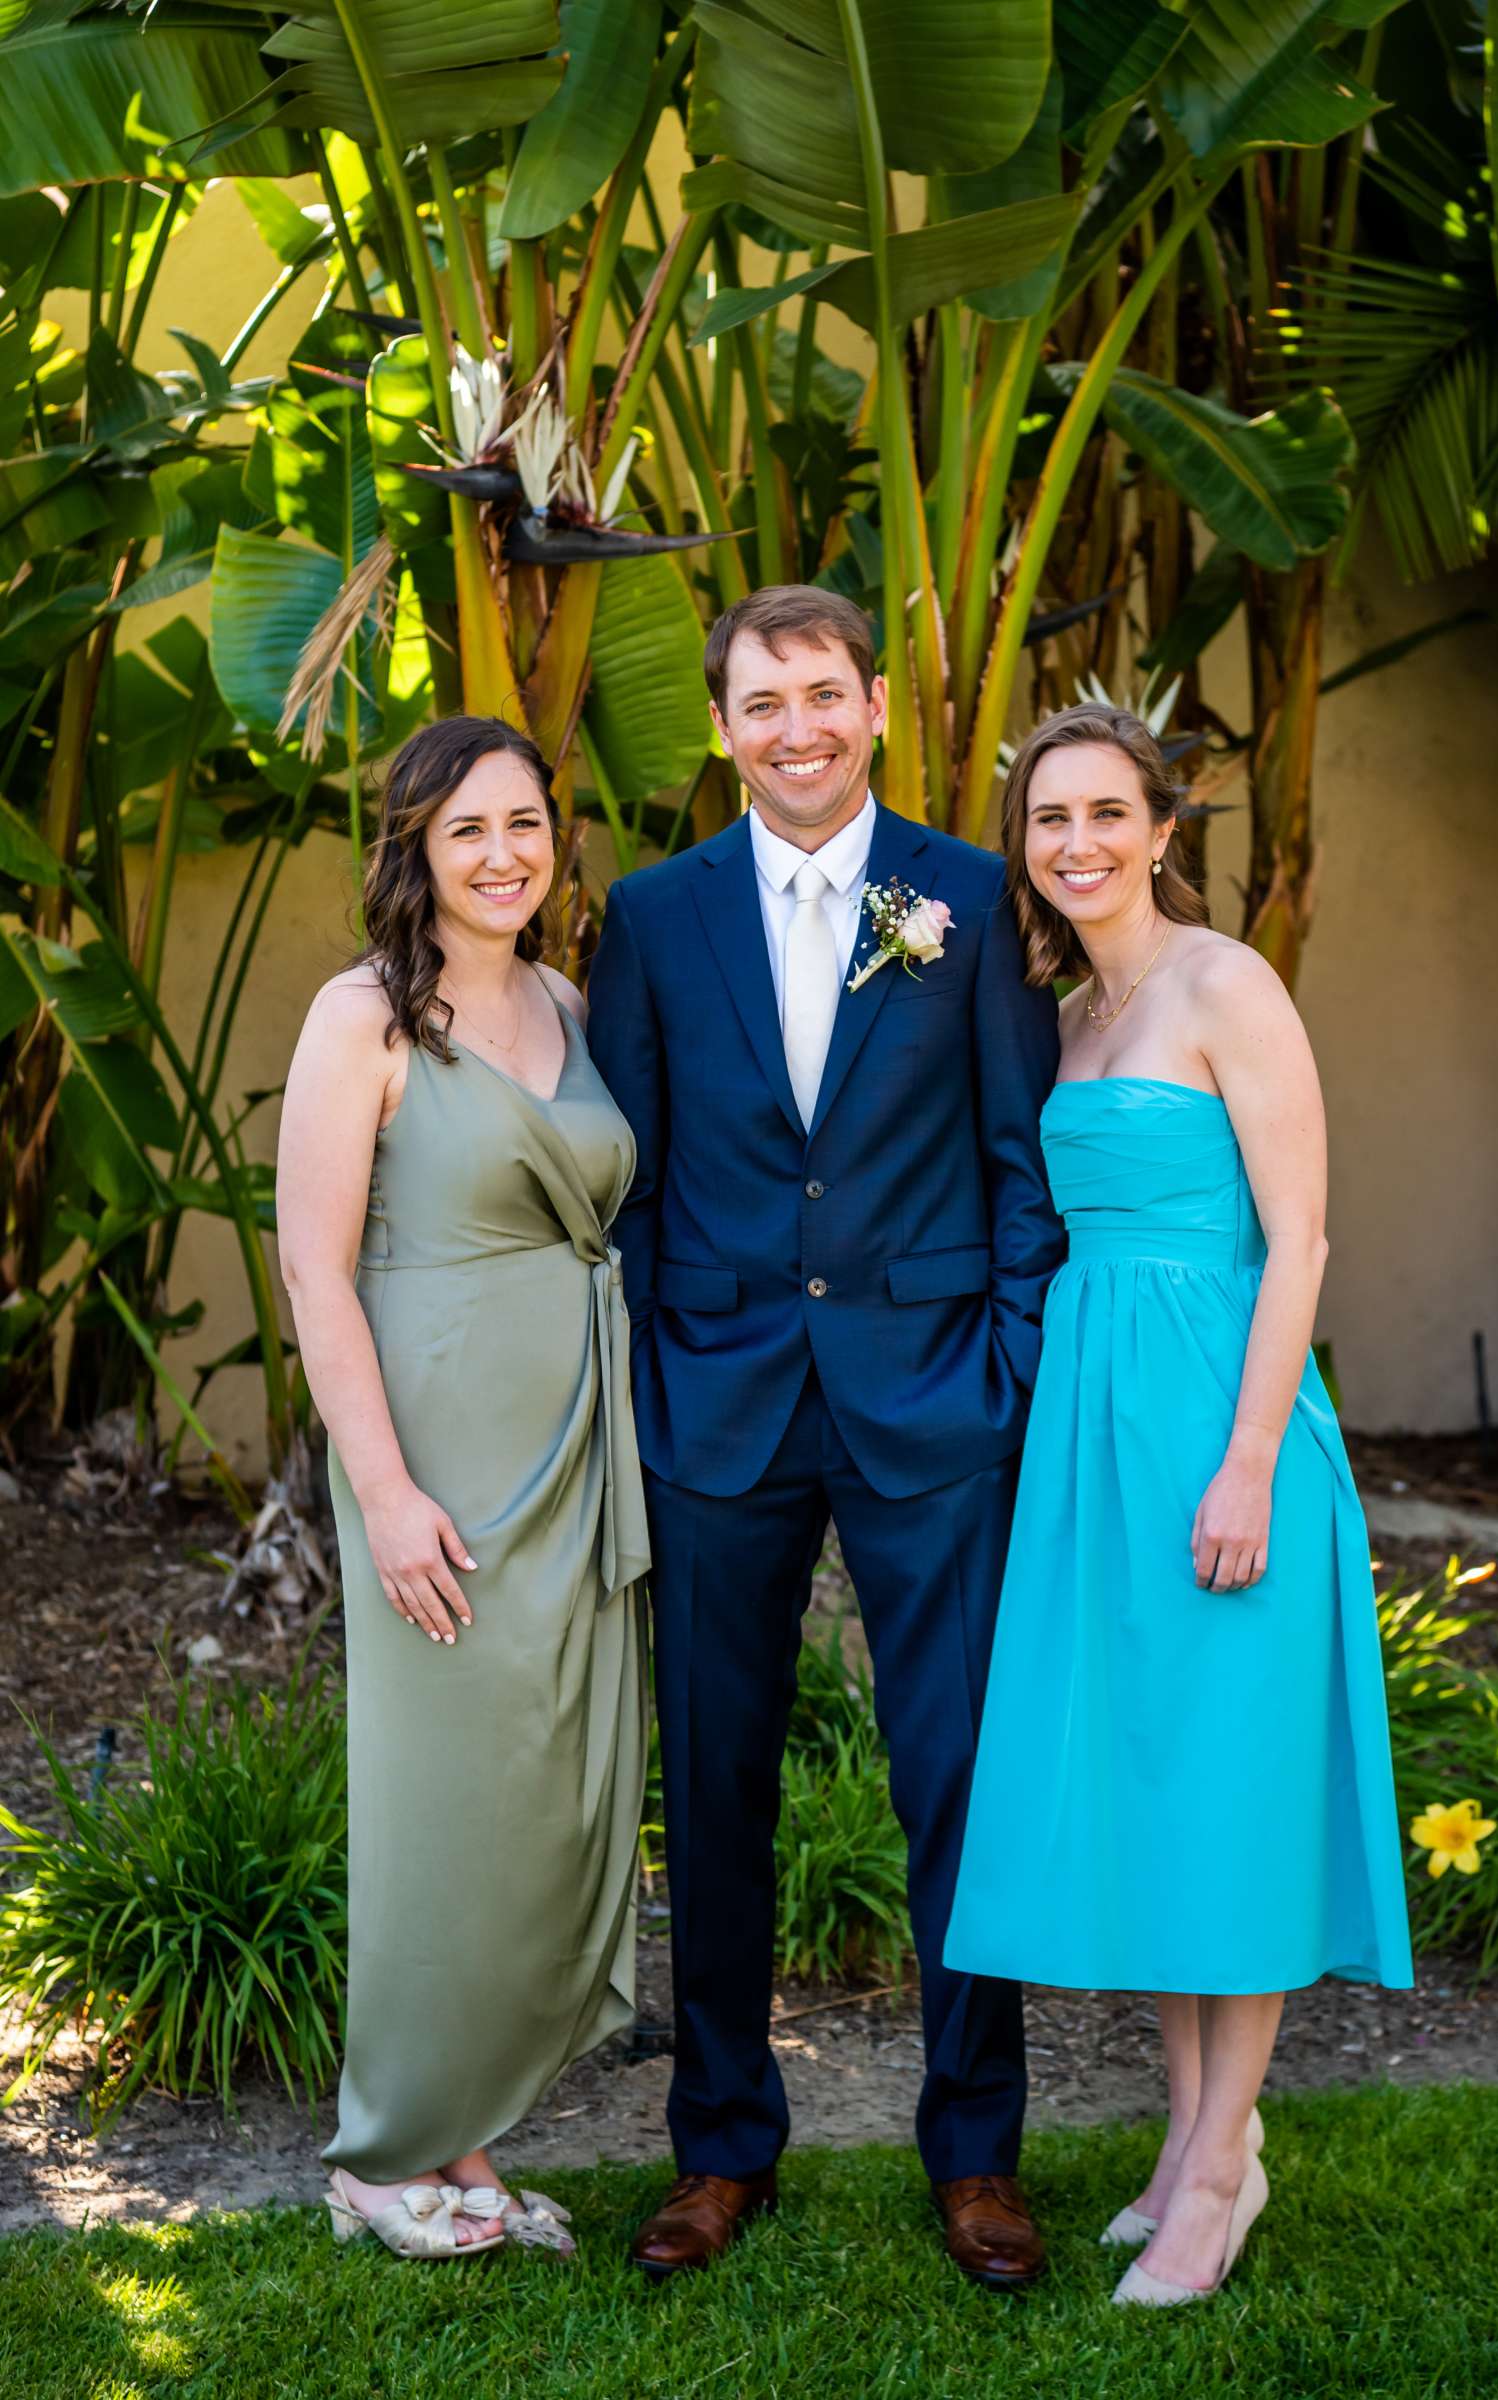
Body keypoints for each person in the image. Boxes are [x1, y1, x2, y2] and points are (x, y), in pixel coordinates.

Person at [587, 587, 1064, 2286]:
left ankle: (975, 2152)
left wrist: (1002, 1365)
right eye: (760, 704)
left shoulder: (969, 894)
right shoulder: (650, 917)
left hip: (935, 1393)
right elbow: (629, 1180)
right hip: (716, 1398)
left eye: (823, 696)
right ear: (721, 726)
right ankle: (721, 2146)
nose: (794, 729)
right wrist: (652, 1375)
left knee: (954, 1777)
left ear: (874, 706)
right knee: (714, 1782)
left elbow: (1021, 1158)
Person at [944, 703, 1414, 2307]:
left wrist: (1244, 1459)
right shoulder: (1070, 1017)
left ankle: (1224, 2164)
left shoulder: (1227, 985)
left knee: (1227, 1787)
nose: (1073, 843)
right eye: (1045, 819)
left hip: (1223, 1420)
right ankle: (1186, 2135)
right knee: (1153, 1783)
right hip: (1094, 1436)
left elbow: (1298, 1240)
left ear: (1160, 826)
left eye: (1102, 813)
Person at [276, 717, 649, 2262]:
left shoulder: (566, 998)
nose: (503, 854)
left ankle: (469, 2142)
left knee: (543, 1794)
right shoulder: (360, 1015)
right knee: (442, 1799)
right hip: (436, 1455)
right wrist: (383, 1490)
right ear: (415, 853)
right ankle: (383, 2152)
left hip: (576, 1437)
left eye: (524, 824)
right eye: (466, 832)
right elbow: (313, 1258)